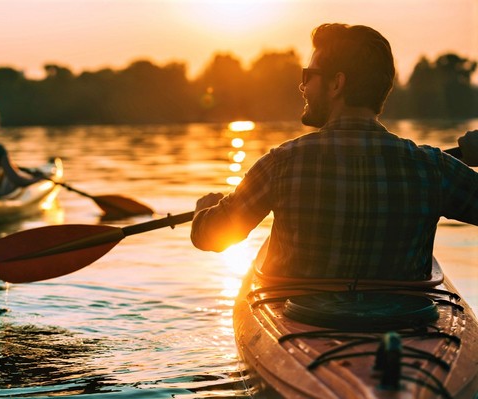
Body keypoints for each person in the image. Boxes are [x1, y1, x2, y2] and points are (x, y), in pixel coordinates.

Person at [191, 23, 478, 281]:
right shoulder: (432, 167)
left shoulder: (281, 164)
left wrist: (205, 210)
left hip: (307, 322)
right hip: (403, 324)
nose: (302, 86)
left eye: (309, 75)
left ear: (336, 83)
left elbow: (211, 237)